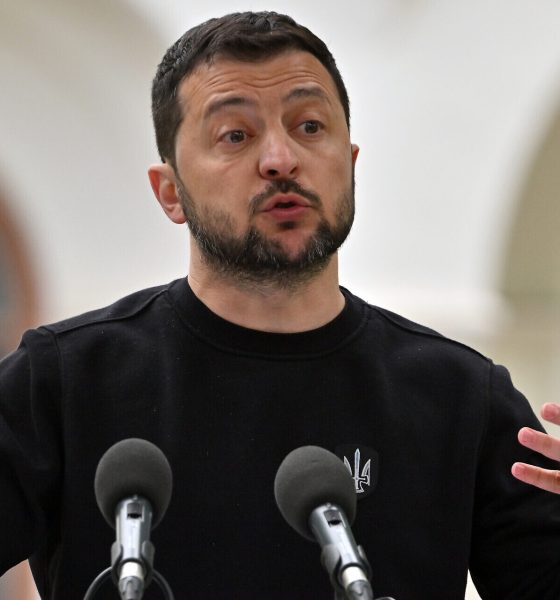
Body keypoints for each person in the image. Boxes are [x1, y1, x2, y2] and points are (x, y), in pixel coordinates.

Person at [0, 11, 559, 600]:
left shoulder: (460, 396)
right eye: (235, 135)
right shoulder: (64, 381)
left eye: (310, 126)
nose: (280, 159)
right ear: (170, 192)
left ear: (350, 164)